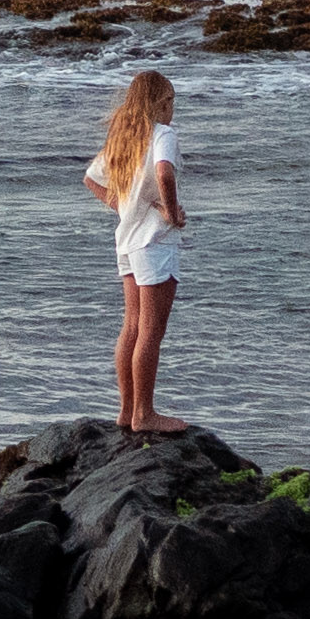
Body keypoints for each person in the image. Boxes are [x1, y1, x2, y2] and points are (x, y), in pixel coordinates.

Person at [87, 70, 183, 431]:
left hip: (126, 242)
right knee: (151, 332)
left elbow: (92, 178)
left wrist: (125, 206)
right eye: (170, 101)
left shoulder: (125, 137)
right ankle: (145, 413)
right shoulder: (162, 134)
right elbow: (165, 174)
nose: (173, 108)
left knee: (131, 327)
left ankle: (126, 411)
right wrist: (170, 213)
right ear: (158, 103)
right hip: (154, 243)